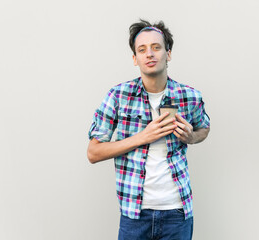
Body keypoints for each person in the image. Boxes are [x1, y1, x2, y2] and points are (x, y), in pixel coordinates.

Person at [87, 19, 210, 240]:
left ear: (168, 53)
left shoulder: (189, 96)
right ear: (135, 58)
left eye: (156, 47)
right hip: (134, 215)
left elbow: (204, 128)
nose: (149, 54)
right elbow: (93, 153)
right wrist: (143, 137)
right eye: (141, 50)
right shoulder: (118, 96)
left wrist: (191, 137)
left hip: (177, 212)